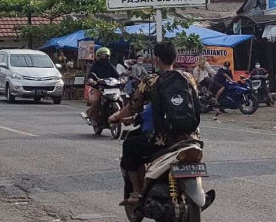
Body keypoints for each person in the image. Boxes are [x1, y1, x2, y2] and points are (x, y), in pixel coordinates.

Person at [109, 41, 200, 205]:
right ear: (174, 58)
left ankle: (137, 192)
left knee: (129, 145)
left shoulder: (150, 81)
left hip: (162, 139)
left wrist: (115, 117)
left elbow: (132, 107)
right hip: (191, 136)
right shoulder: (189, 78)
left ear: (156, 59)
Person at [84, 47, 120, 125]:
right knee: (96, 101)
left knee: (121, 98)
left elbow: (117, 75)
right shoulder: (95, 66)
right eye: (102, 56)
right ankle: (92, 117)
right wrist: (92, 81)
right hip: (98, 88)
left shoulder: (110, 66)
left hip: (110, 88)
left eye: (105, 56)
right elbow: (90, 75)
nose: (104, 58)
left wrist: (122, 79)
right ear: (98, 57)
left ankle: (121, 116)